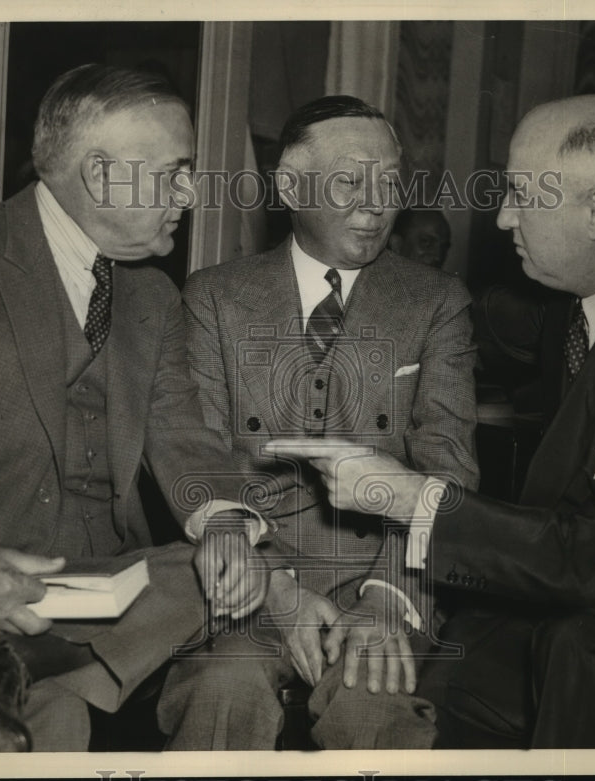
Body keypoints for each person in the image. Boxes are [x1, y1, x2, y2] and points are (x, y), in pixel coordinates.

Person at [268, 94, 595, 748]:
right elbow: (449, 318)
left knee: (581, 652)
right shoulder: (587, 279)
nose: (502, 216)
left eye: (520, 194)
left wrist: (406, 495)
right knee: (441, 675)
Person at [0, 63, 266, 752]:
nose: (189, 193)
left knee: (224, 567)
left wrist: (223, 524)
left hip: (88, 595)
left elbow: (185, 439)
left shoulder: (153, 297)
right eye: (175, 173)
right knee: (56, 718)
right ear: (100, 175)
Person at [158, 95, 479, 750]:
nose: (376, 204)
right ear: (289, 187)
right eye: (349, 181)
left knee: (373, 705)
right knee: (224, 687)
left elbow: (448, 470)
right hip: (249, 575)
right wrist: (275, 591)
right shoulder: (213, 297)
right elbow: (201, 460)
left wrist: (388, 599)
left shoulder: (436, 301)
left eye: (390, 182)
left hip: (385, 575)